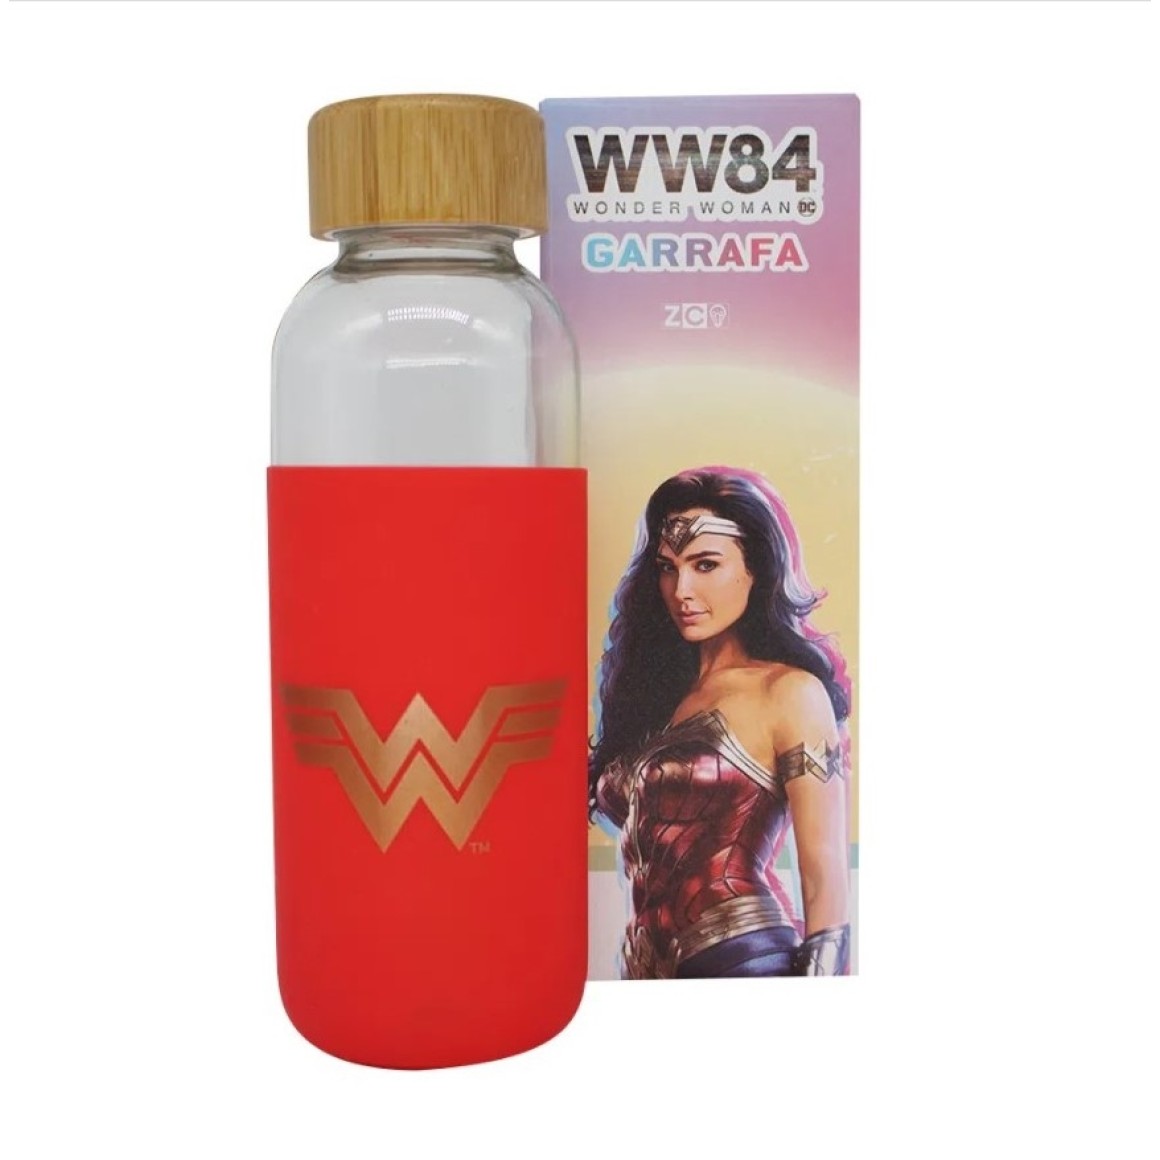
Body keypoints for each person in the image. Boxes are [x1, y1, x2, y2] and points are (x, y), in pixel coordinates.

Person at [590, 467, 852, 977]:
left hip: (744, 959)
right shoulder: (652, 697)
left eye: (706, 564)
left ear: (756, 568)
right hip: (644, 974)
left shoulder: (790, 691)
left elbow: (824, 878)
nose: (681, 590)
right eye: (667, 568)